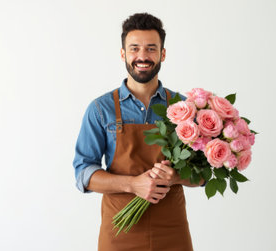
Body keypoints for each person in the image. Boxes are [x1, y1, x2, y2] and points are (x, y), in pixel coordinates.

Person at [73, 13, 204, 250]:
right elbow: (84, 174)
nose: (142, 56)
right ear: (123, 54)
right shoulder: (100, 109)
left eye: (151, 49)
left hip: (172, 231)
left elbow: (204, 174)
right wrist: (133, 184)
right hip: (119, 231)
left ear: (163, 54)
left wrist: (174, 177)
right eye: (134, 48)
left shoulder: (184, 107)